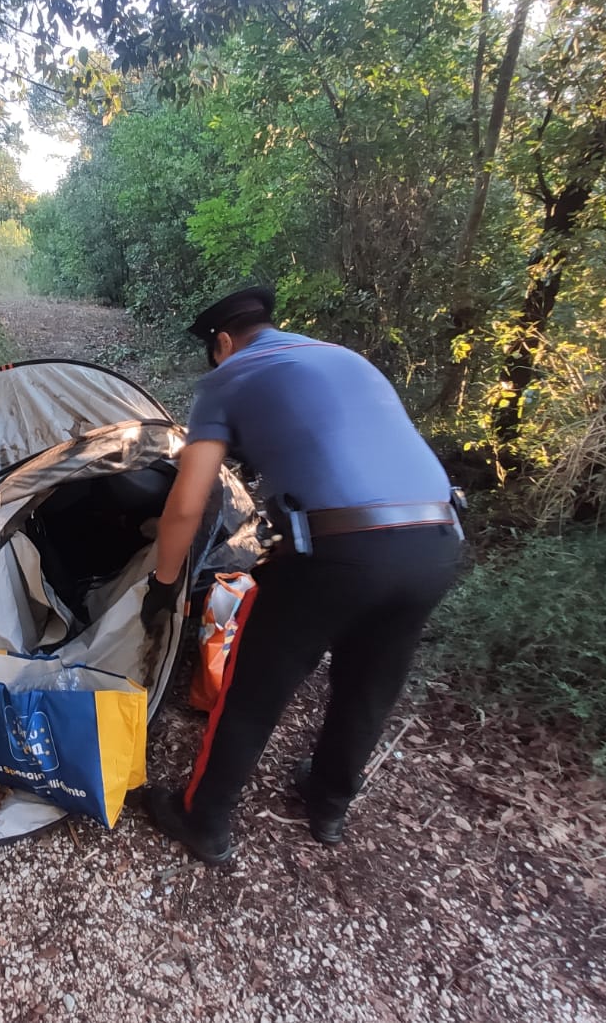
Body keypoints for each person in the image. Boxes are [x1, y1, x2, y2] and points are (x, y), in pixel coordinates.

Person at [140, 287, 461, 864]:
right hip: (436, 541)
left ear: (222, 343)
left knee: (254, 683)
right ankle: (328, 803)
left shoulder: (227, 376)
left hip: (339, 551)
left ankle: (203, 818)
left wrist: (164, 585)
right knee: (371, 681)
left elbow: (188, 501)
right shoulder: (346, 358)